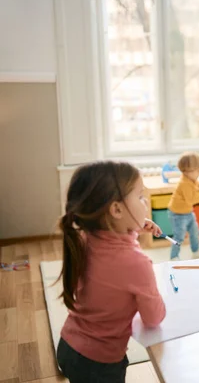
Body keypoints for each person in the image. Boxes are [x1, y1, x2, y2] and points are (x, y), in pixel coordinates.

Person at [56, 161, 166, 383]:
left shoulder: (85, 238)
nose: (145, 202)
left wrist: (132, 227)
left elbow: (114, 247)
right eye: (140, 196)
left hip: (68, 345)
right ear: (116, 210)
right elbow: (154, 318)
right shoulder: (137, 264)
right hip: (99, 364)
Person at [167, 151, 199, 260]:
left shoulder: (191, 179)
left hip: (187, 212)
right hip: (177, 214)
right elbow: (190, 200)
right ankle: (174, 256)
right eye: (198, 170)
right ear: (188, 171)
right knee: (179, 236)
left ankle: (196, 250)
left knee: (194, 232)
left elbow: (198, 184)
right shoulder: (184, 184)